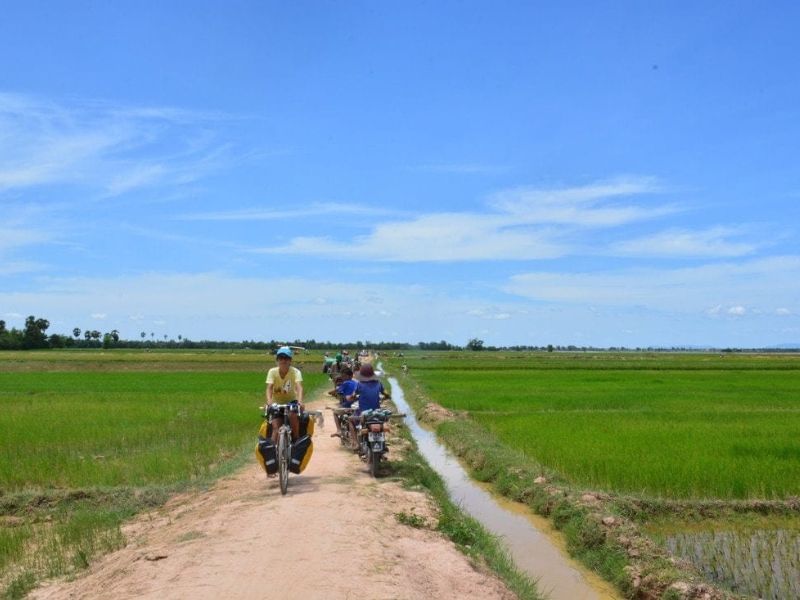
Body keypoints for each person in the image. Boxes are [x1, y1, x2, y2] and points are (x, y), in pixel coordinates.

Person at [266, 346, 304, 444]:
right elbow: (269, 388)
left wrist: (300, 401)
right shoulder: (272, 371)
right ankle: (274, 452)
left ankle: (296, 438)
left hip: (291, 401)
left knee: (292, 415)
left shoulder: (296, 372)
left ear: (290, 360)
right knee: (275, 429)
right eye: (281, 358)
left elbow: (299, 387)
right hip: (276, 403)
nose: (283, 361)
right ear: (277, 360)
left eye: (286, 358)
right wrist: (269, 402)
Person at [348, 363, 390, 451]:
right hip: (376, 413)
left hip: (363, 413)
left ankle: (356, 443)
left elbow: (353, 395)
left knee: (350, 420)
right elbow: (386, 394)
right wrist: (386, 397)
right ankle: (383, 444)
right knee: (381, 423)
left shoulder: (359, 384)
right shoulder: (379, 383)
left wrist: (351, 397)